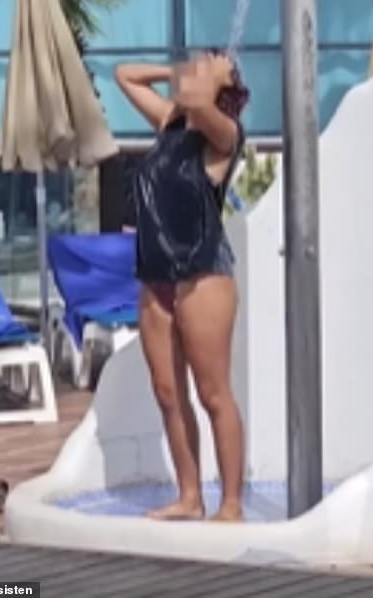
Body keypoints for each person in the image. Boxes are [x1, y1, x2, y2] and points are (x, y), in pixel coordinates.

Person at [114, 50, 249, 522]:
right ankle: (189, 496)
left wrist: (203, 78)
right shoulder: (173, 121)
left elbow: (198, 101)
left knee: (214, 394)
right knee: (168, 394)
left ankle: (230, 503)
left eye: (216, 60)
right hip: (155, 276)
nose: (202, 60)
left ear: (227, 88)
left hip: (202, 275)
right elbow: (124, 73)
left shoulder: (223, 134)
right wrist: (176, 71)